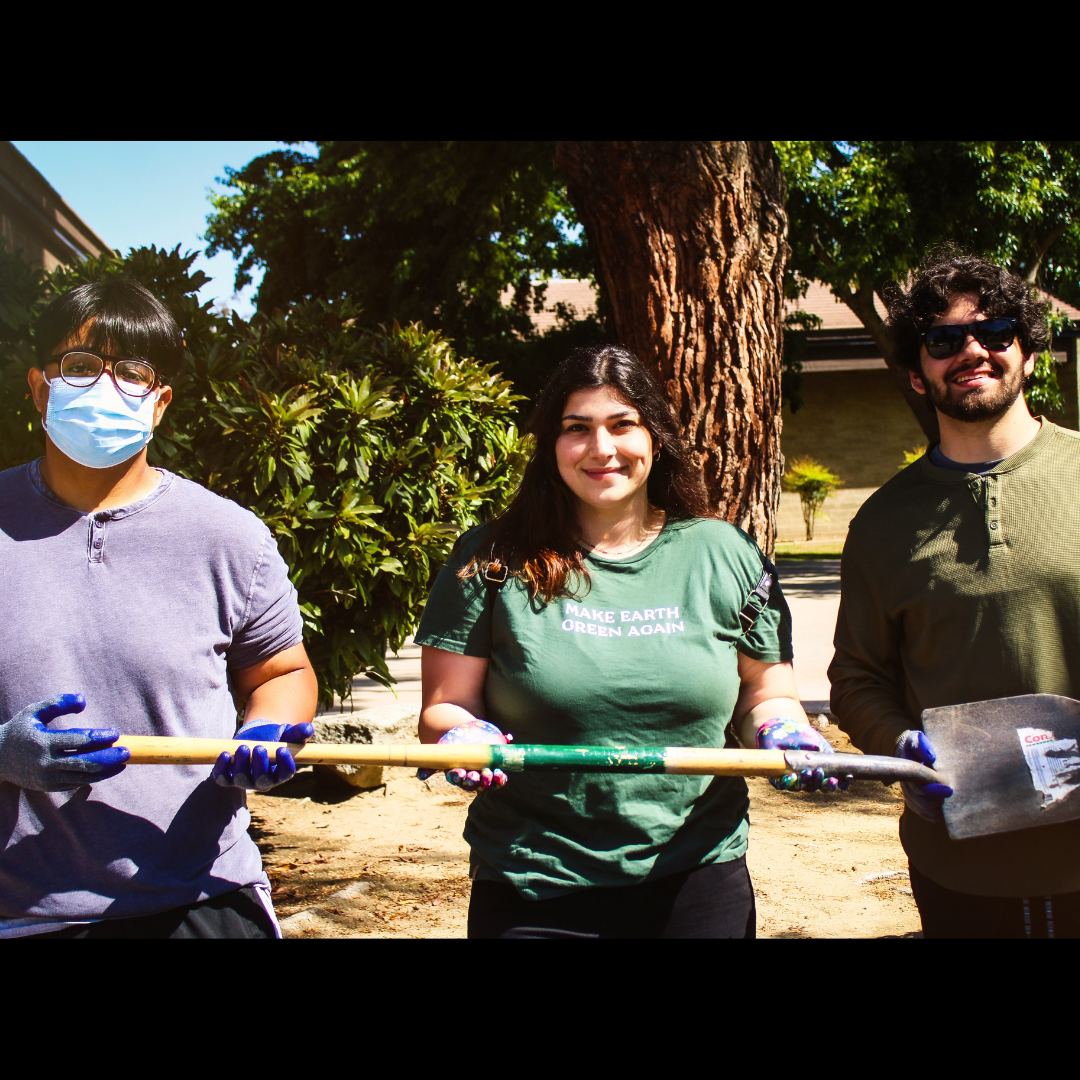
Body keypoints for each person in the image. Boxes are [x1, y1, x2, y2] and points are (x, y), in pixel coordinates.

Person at [415, 344, 840, 939]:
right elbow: (444, 706)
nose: (602, 449)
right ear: (551, 445)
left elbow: (764, 692)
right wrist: (461, 732)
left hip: (697, 873)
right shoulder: (491, 559)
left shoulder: (724, 554)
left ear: (656, 438)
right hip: (535, 877)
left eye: (622, 425)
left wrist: (781, 731)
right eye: (577, 429)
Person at [0, 278, 318, 938]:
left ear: (160, 402)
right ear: (38, 388)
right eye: (81, 367)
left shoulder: (228, 536)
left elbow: (282, 672)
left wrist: (266, 730)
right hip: (24, 914)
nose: (104, 389)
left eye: (132, 373)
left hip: (201, 900)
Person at [829, 246, 1080, 938]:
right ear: (917, 374)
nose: (972, 349)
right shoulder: (883, 524)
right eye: (944, 340)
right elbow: (856, 677)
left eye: (996, 332)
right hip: (961, 869)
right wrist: (900, 743)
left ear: (1029, 355)